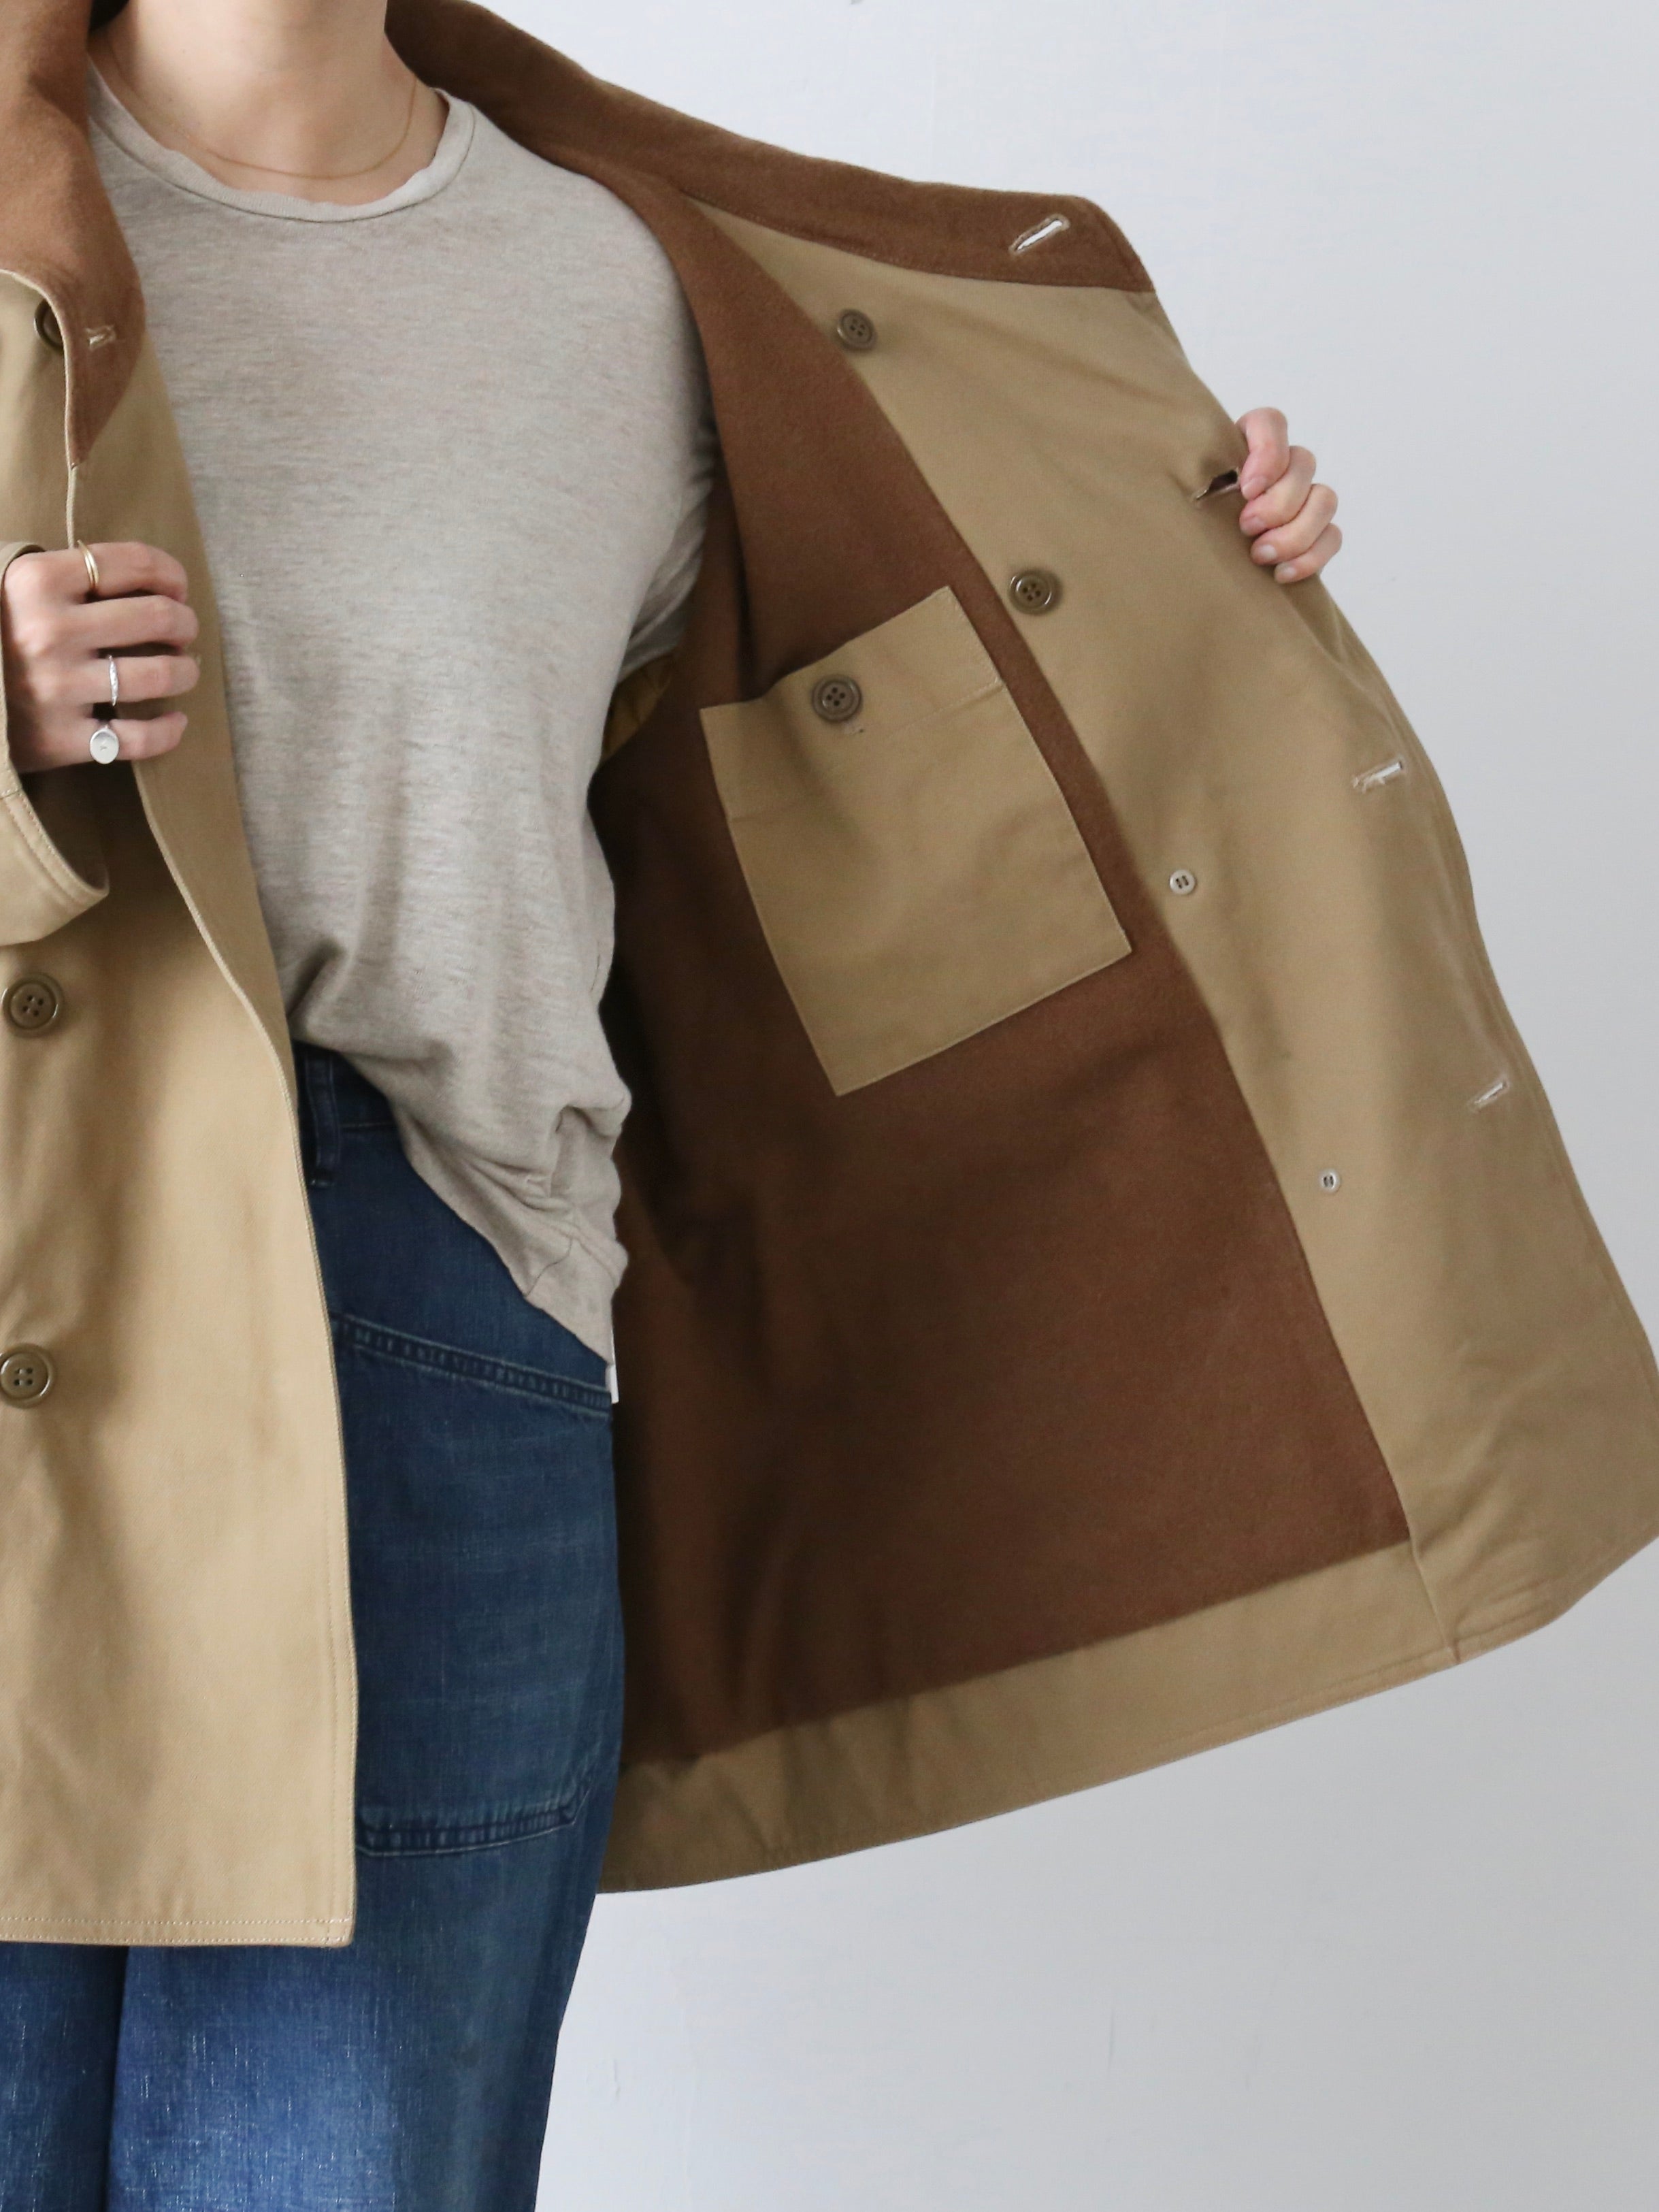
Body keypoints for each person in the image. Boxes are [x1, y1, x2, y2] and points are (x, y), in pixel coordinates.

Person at [3, 1, 1654, 2207]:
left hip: (438, 1304)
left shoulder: (628, 286)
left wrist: (1174, 537)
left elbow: (872, 723)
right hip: (37, 1275)